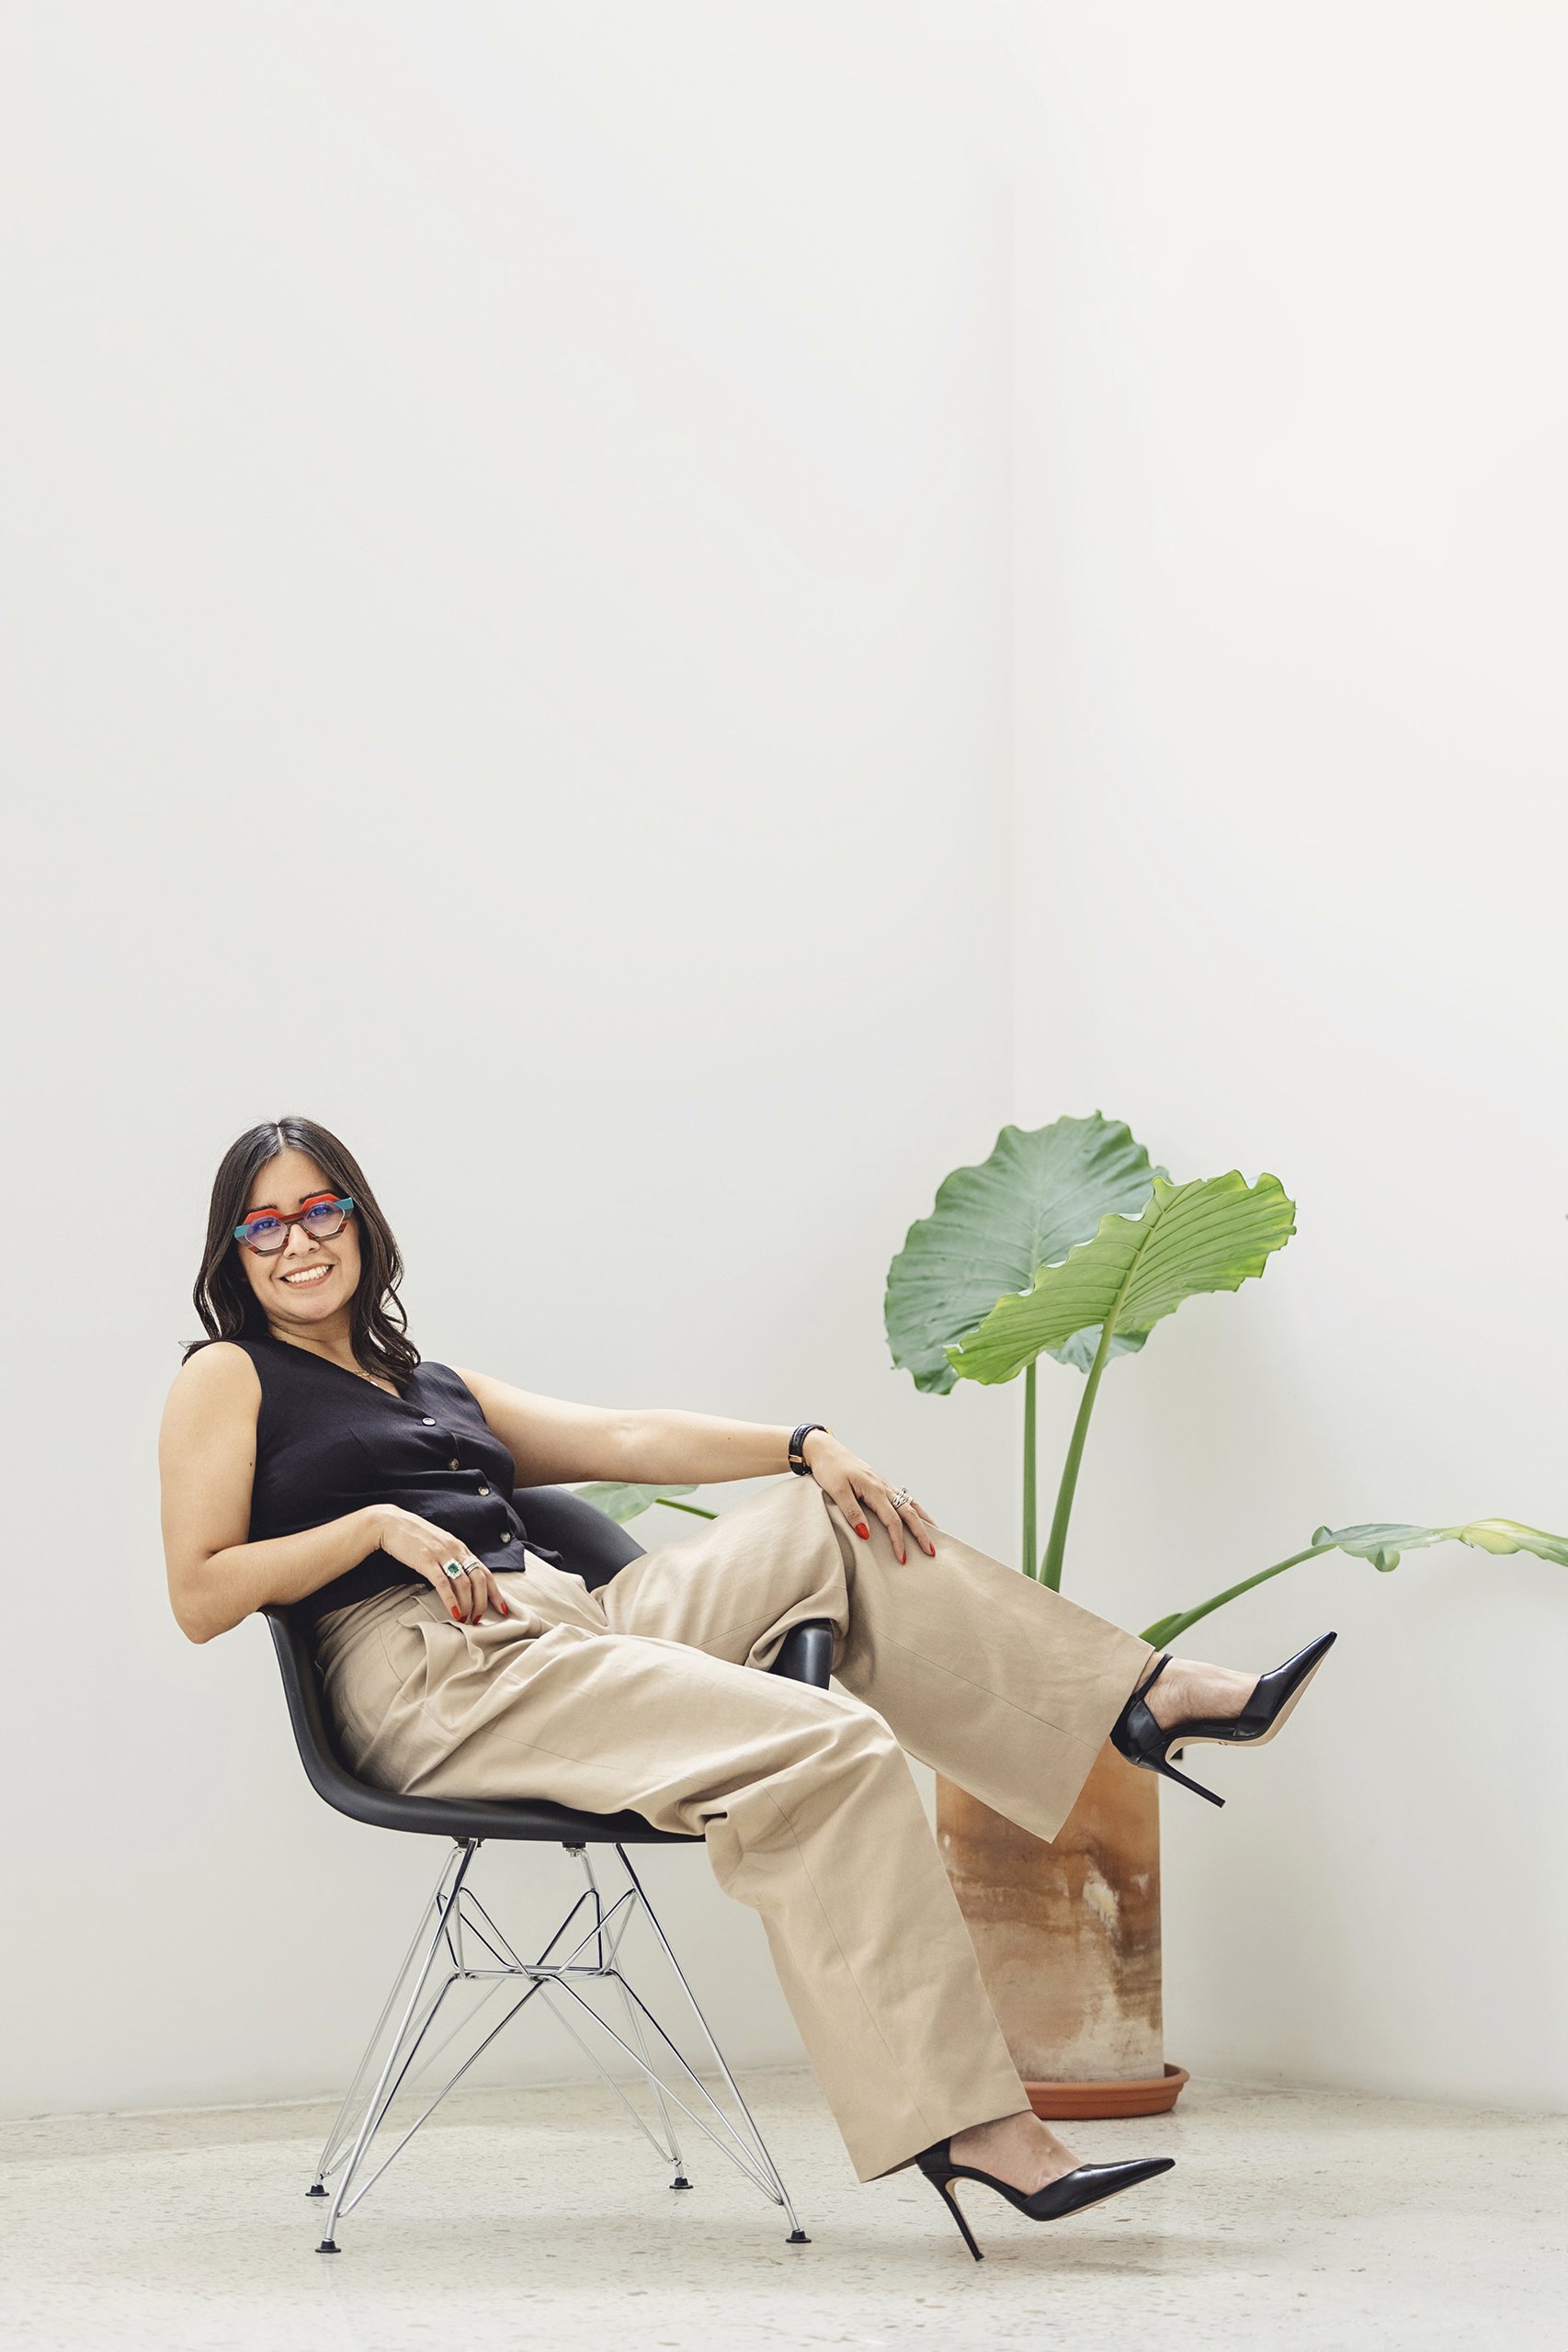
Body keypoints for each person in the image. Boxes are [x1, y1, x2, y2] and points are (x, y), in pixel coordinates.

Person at [159, 1114, 1335, 2259]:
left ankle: (1140, 1697)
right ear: (232, 1253)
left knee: (824, 1525)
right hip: (436, 1668)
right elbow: (200, 1593)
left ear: (361, 1223)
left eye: (321, 1209)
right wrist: (374, 1525)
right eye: (264, 1227)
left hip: (562, 1624)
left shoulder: (425, 1378)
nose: (298, 1242)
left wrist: (803, 1440)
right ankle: (974, 2127)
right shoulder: (229, 1375)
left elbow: (624, 1439)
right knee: (833, 1745)